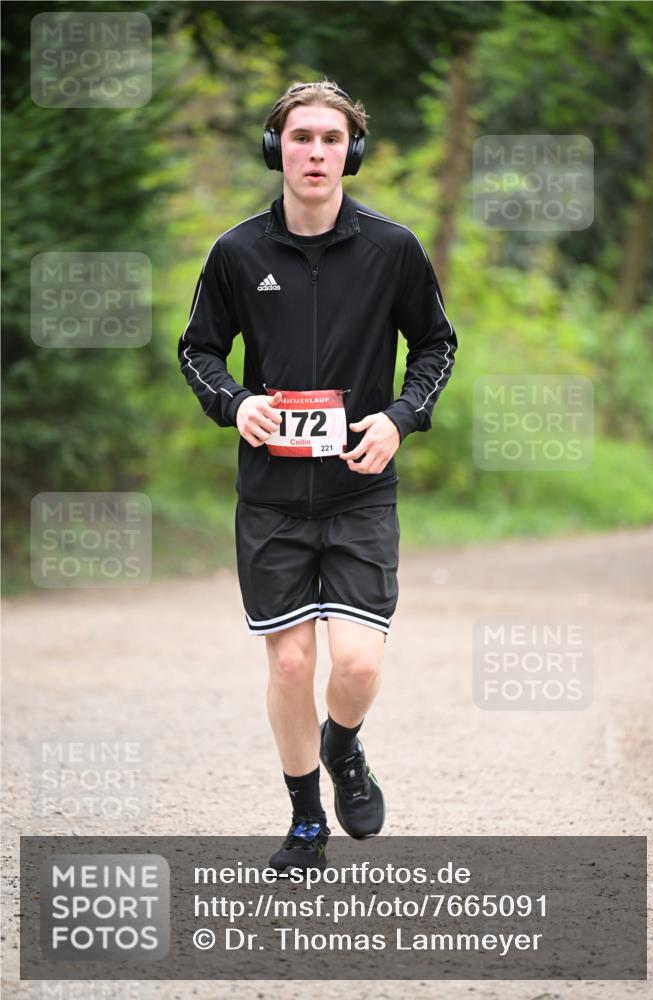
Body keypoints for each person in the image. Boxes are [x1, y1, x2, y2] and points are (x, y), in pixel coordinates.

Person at [177, 79, 457, 874]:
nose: (315, 152)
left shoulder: (391, 249)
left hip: (359, 490)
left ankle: (343, 744)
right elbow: (197, 350)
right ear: (276, 149)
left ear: (351, 152)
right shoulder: (237, 253)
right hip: (270, 498)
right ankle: (306, 820)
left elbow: (435, 346)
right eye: (300, 137)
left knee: (358, 664)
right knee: (292, 662)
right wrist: (236, 403)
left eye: (331, 139)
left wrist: (398, 418)